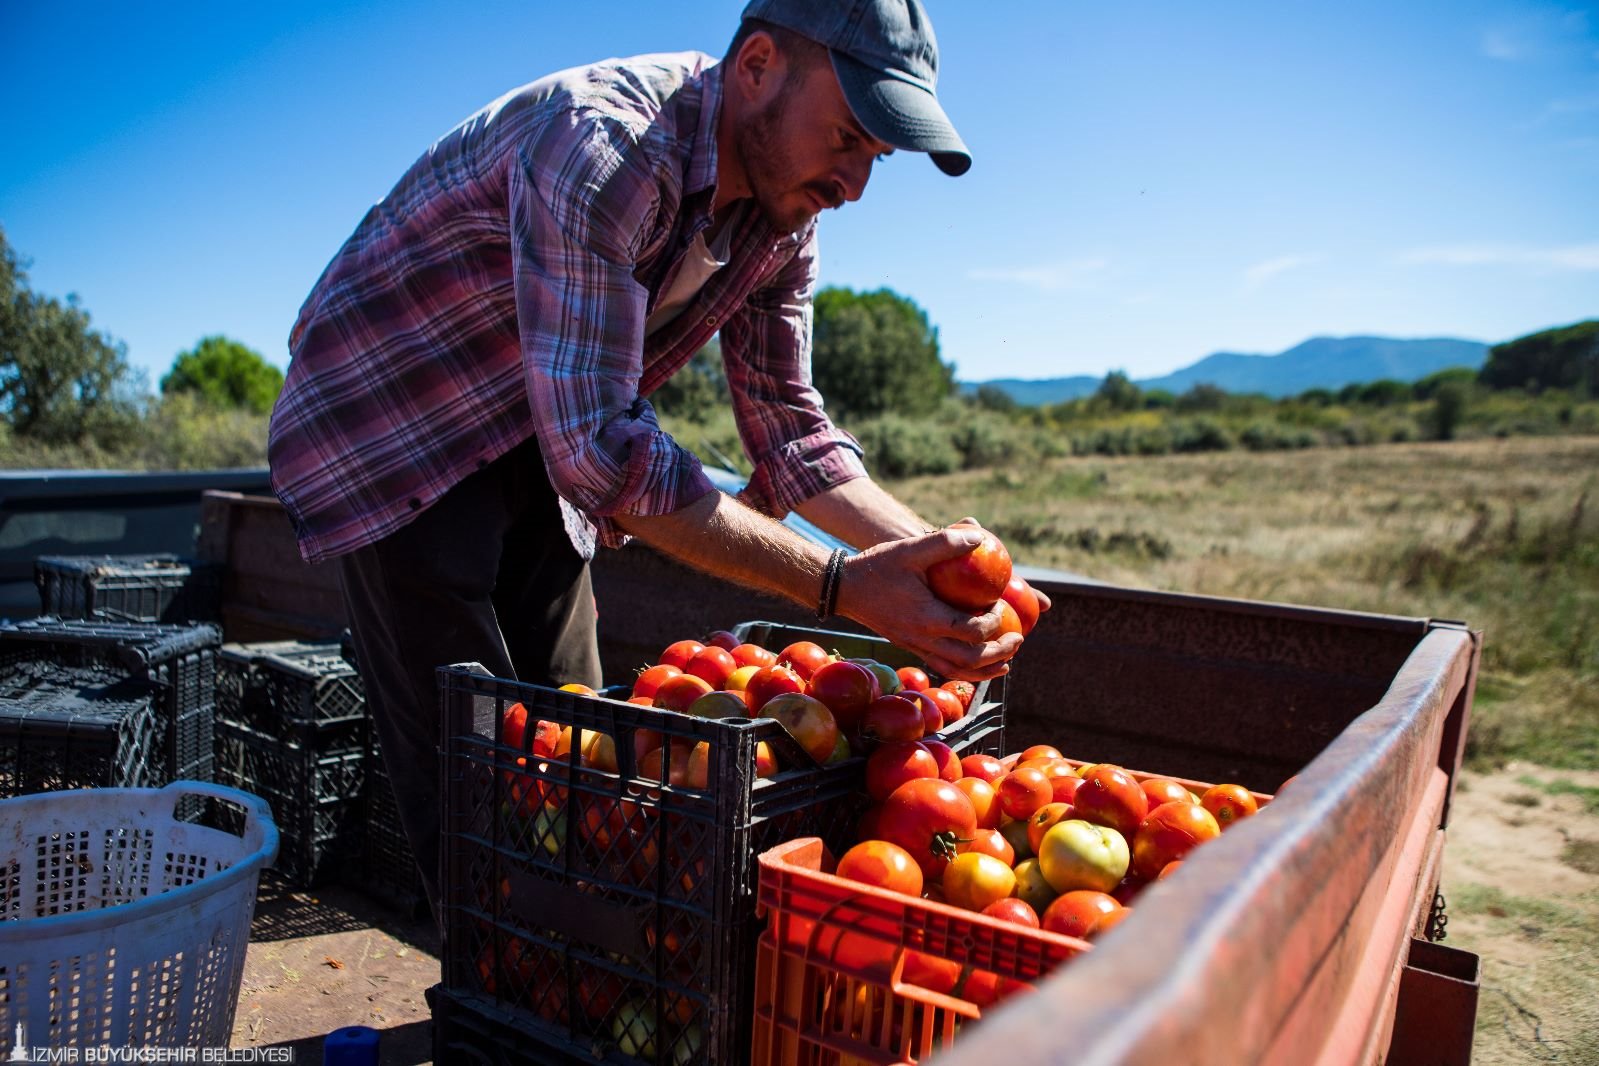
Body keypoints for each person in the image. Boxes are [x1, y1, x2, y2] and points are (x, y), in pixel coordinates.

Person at [267, 0, 1043, 917]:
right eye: (846, 135)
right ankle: (506, 993)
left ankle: (579, 968)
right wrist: (842, 588)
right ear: (757, 64)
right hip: (390, 424)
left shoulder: (782, 215)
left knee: (582, 744)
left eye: (875, 155)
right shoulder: (605, 144)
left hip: (535, 429)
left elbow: (789, 430)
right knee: (475, 767)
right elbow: (599, 451)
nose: (855, 182)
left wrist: (941, 563)